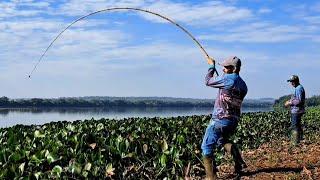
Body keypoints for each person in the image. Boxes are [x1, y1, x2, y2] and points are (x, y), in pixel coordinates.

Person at [201, 56, 248, 179]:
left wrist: (212, 66)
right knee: (222, 141)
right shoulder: (243, 85)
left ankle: (211, 178)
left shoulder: (228, 79)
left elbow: (207, 81)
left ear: (234, 68)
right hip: (233, 120)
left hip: (220, 120)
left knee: (206, 146)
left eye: (226, 67)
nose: (223, 69)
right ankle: (239, 163)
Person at [284, 75, 305, 146]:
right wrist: (290, 100)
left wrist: (289, 103)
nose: (291, 83)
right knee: (298, 126)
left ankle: (294, 142)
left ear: (295, 81)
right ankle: (299, 141)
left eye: (291, 81)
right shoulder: (298, 88)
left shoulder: (298, 88)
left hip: (297, 111)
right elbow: (296, 99)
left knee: (294, 126)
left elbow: (299, 101)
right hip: (298, 110)